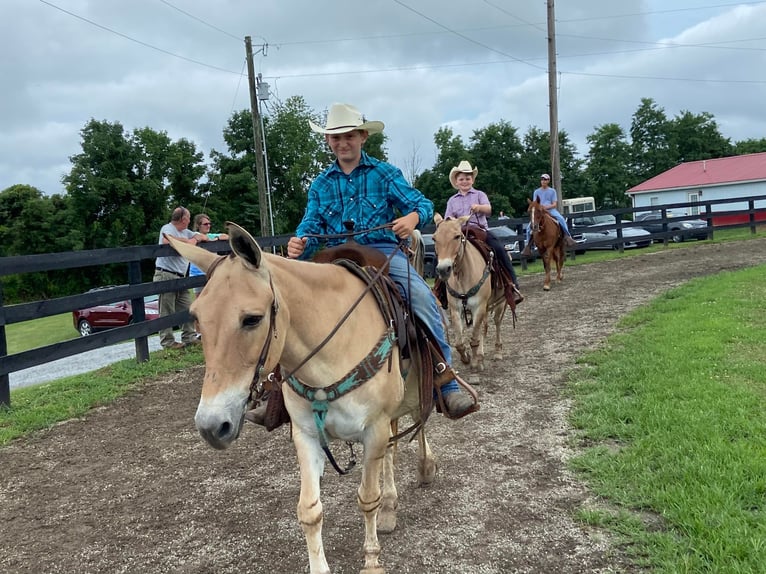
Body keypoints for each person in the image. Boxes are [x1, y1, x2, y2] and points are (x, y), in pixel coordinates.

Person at [253, 102, 475, 421]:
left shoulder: (384, 174)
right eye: (336, 137)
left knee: (424, 300)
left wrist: (412, 217)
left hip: (381, 254)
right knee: (287, 305)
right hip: (331, 259)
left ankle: (444, 378)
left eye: (349, 136)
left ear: (362, 137)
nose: (343, 143)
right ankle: (276, 391)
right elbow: (311, 224)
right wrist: (300, 240)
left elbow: (422, 204)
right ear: (328, 141)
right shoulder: (321, 184)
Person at [443, 160, 523, 306]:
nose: (465, 181)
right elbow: (447, 219)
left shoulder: (479, 194)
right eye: (461, 179)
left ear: (472, 179)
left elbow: (489, 210)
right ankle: (440, 291)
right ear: (456, 181)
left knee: (499, 249)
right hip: (459, 233)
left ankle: (512, 284)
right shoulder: (452, 201)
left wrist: (479, 208)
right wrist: (452, 220)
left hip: (479, 231)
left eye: (468, 178)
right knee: (443, 256)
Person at [154, 206, 207, 350]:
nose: (190, 220)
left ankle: (189, 337)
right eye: (189, 218)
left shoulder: (185, 232)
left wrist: (192, 239)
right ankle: (168, 342)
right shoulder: (168, 228)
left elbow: (202, 236)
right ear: (183, 219)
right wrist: (187, 241)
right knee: (166, 309)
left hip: (181, 276)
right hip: (166, 274)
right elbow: (167, 241)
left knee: (187, 307)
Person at [521, 173, 577, 256]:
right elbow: (535, 203)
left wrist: (546, 207)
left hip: (550, 210)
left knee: (560, 219)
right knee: (529, 227)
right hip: (540, 211)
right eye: (542, 179)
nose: (543, 181)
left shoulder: (552, 191)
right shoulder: (536, 192)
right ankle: (528, 246)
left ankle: (567, 237)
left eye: (545, 179)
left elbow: (554, 204)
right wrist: (540, 208)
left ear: (548, 181)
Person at [189, 213, 229, 296]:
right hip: (197, 273)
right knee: (200, 300)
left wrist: (217, 238)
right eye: (205, 224)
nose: (208, 226)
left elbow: (226, 236)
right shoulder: (193, 236)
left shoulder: (211, 236)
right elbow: (198, 238)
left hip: (211, 273)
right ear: (198, 225)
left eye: (209, 224)